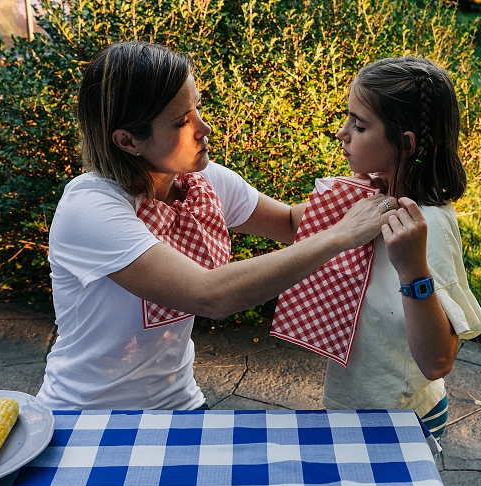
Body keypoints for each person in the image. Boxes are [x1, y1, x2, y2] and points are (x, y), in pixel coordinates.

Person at [36, 41, 398, 410]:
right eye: (181, 121)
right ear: (128, 141)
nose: (203, 127)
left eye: (196, 108)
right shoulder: (90, 209)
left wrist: (380, 187)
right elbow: (208, 294)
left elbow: (289, 221)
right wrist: (339, 236)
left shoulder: (200, 181)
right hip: (85, 413)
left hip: (178, 401)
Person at [323, 56, 481, 441]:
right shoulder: (368, 198)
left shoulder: (428, 225)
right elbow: (290, 225)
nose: (341, 133)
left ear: (406, 143)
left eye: (359, 125)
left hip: (402, 420)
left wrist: (413, 270)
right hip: (348, 405)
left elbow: (437, 360)